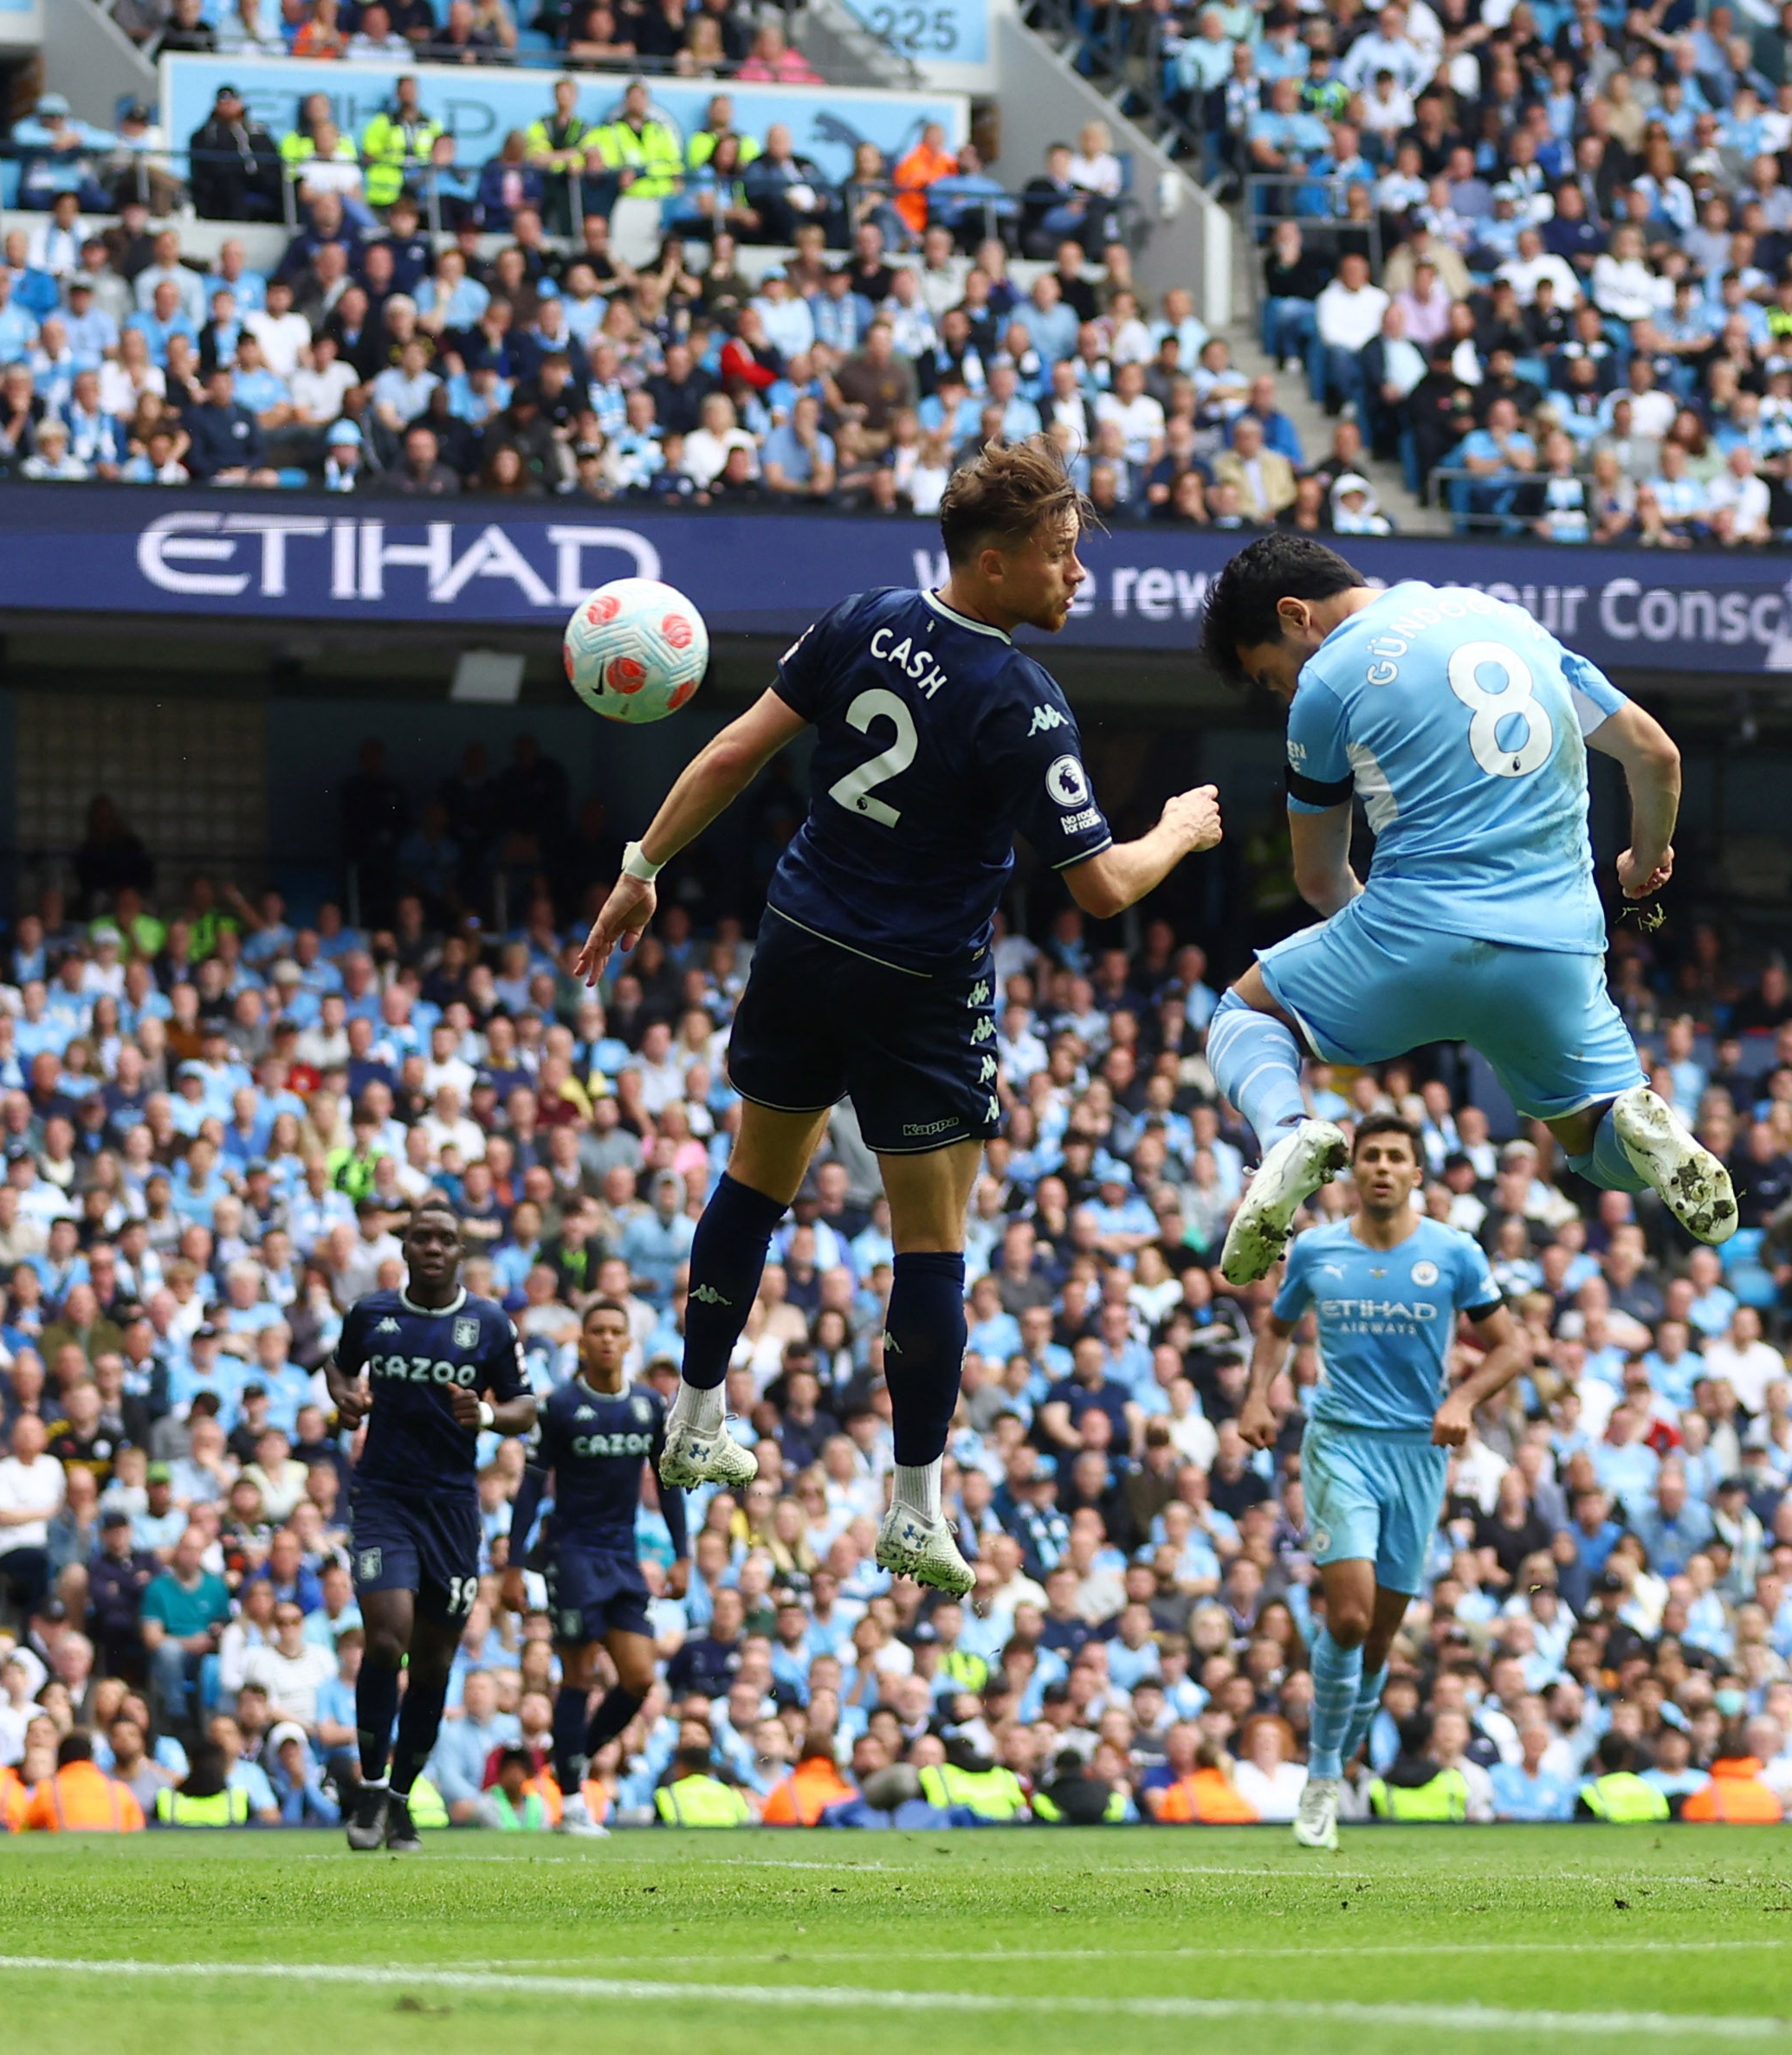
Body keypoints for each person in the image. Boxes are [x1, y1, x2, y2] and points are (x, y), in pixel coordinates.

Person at [567, 436, 1223, 1594]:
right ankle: (914, 1507)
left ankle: (694, 1414)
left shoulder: (864, 614)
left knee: (753, 1180)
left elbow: (729, 752)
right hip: (916, 985)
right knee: (933, 1241)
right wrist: (1176, 828)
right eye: (1061, 555)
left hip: (801, 940)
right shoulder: (1021, 703)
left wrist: (641, 864)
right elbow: (1101, 887)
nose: (1080, 576)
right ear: (992, 561)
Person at [1194, 533, 1737, 1289]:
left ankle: (1287, 1132)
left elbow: (1319, 877)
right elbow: (1654, 755)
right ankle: (1641, 1120)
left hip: (1413, 933)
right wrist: (1645, 861)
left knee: (1242, 1016)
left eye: (1270, 677)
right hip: (1558, 951)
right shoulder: (1509, 621)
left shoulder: (1326, 682)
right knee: (1599, 1155)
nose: (1284, 692)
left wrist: (1390, 964)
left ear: (1295, 616)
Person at [1235, 1109, 1529, 1853]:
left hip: (1418, 1454)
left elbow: (1510, 1347)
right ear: (1352, 1169)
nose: (1382, 1168)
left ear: (1417, 1172)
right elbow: (1276, 1325)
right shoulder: (1317, 1251)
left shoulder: (1453, 1253)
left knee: (1378, 1640)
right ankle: (1323, 1775)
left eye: (1397, 1156)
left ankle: (1340, 1757)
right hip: (1338, 1445)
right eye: (1370, 1157)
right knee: (1347, 1617)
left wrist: (1462, 1398)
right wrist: (1255, 1393)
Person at [324, 1194, 536, 1851]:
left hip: (451, 1507)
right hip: (383, 1496)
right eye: (421, 1237)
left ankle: (399, 1796)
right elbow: (338, 1365)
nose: (434, 1247)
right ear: (405, 1248)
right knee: (386, 1639)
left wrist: (491, 1418)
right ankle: (368, 1782)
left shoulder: (490, 1323)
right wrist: (344, 1398)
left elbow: (525, 1405)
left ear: (459, 1251)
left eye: (445, 1238)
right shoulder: (372, 1312)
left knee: (437, 1663)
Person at [500, 1296, 686, 1833]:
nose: (606, 1339)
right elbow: (531, 1489)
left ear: (629, 1342)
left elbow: (669, 1483)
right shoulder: (558, 1407)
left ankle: (570, 1759)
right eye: (596, 1331)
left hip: (623, 1558)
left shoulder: (651, 1406)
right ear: (582, 1343)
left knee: (639, 1679)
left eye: (614, 1331)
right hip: (573, 1555)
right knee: (579, 1674)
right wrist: (514, 1564)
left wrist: (683, 1555)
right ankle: (574, 1799)